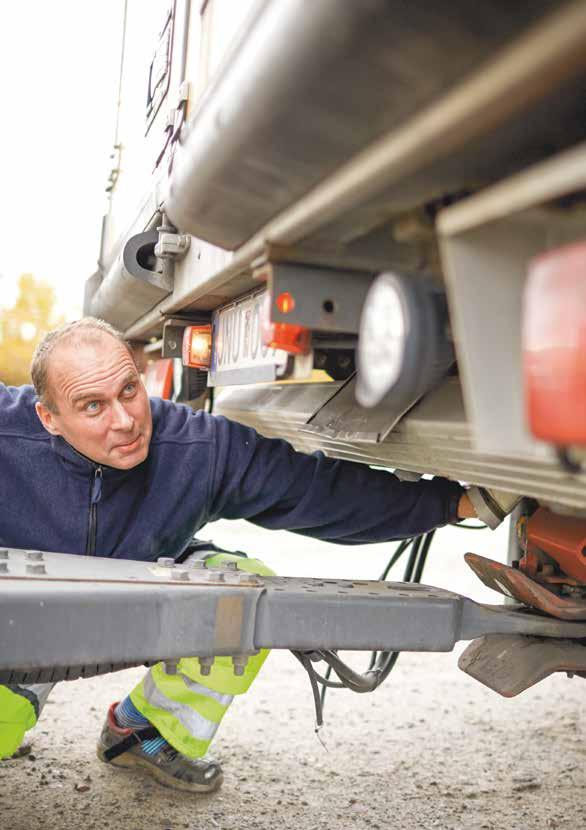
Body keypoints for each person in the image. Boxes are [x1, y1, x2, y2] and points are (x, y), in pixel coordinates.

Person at [0, 317, 479, 792]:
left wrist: (452, 503)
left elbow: (314, 491)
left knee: (242, 589)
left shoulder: (195, 447)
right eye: (92, 406)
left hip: (137, 579)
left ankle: (144, 733)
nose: (124, 421)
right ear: (49, 418)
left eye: (128, 390)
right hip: (20, 634)